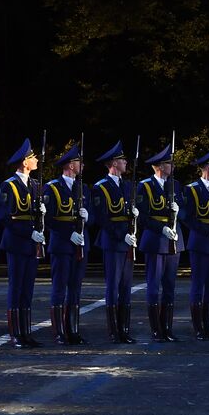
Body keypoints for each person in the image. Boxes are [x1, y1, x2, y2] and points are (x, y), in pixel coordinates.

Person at [0, 139, 44, 348]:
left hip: (31, 243)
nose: (37, 160)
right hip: (16, 242)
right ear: (25, 162)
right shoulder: (8, 185)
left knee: (28, 289)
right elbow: (7, 218)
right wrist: (30, 233)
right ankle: (16, 333)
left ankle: (26, 332)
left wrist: (41, 223)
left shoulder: (35, 185)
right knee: (16, 288)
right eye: (33, 158)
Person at [89, 141, 138, 344]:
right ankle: (113, 331)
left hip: (128, 241)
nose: (126, 162)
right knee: (113, 286)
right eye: (122, 160)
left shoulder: (128, 186)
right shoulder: (101, 187)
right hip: (112, 240)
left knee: (126, 287)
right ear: (114, 164)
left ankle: (124, 329)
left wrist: (135, 221)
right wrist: (121, 234)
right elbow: (102, 218)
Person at [178, 146, 209, 340]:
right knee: (198, 284)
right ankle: (199, 327)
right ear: (206, 167)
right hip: (200, 241)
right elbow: (187, 217)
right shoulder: (192, 189)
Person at [135, 142, 182, 342]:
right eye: (169, 164)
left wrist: (177, 215)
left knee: (170, 286)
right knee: (154, 285)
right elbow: (143, 215)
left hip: (173, 239)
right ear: (160, 166)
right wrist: (161, 227)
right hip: (155, 239)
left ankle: (167, 328)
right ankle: (156, 330)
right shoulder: (145, 186)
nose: (172, 167)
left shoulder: (175, 185)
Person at [44, 142, 88, 345]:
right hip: (62, 245)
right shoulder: (52, 188)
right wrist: (68, 234)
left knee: (75, 289)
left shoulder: (83, 187)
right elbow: (49, 219)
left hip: (79, 245)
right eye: (79, 162)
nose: (82, 165)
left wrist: (88, 217)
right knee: (60, 288)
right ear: (70, 165)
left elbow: (94, 216)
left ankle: (73, 330)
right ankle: (59, 332)